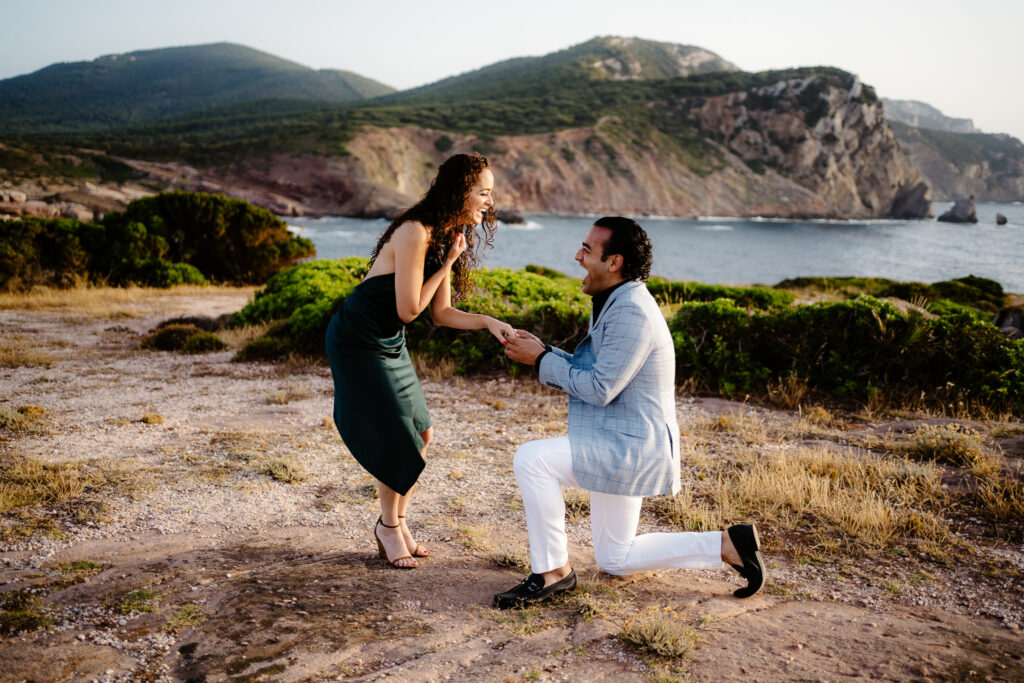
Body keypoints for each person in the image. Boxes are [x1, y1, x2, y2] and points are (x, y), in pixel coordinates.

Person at [497, 216, 765, 606]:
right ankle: (726, 545)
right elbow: (603, 373)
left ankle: (552, 571)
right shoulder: (618, 299)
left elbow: (600, 388)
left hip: (629, 448)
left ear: (614, 261)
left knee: (532, 459)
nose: (577, 256)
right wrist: (545, 351)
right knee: (615, 558)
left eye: (587, 250)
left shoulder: (631, 311)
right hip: (618, 440)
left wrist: (540, 361)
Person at [325, 153, 515, 569]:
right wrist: (447, 261)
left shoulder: (446, 233)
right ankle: (388, 529)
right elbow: (410, 309)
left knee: (422, 434)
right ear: (459, 191)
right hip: (358, 340)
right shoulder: (415, 232)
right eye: (483, 192)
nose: (489, 200)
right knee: (400, 436)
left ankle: (398, 523)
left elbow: (442, 313)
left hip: (388, 340)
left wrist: (487, 321)